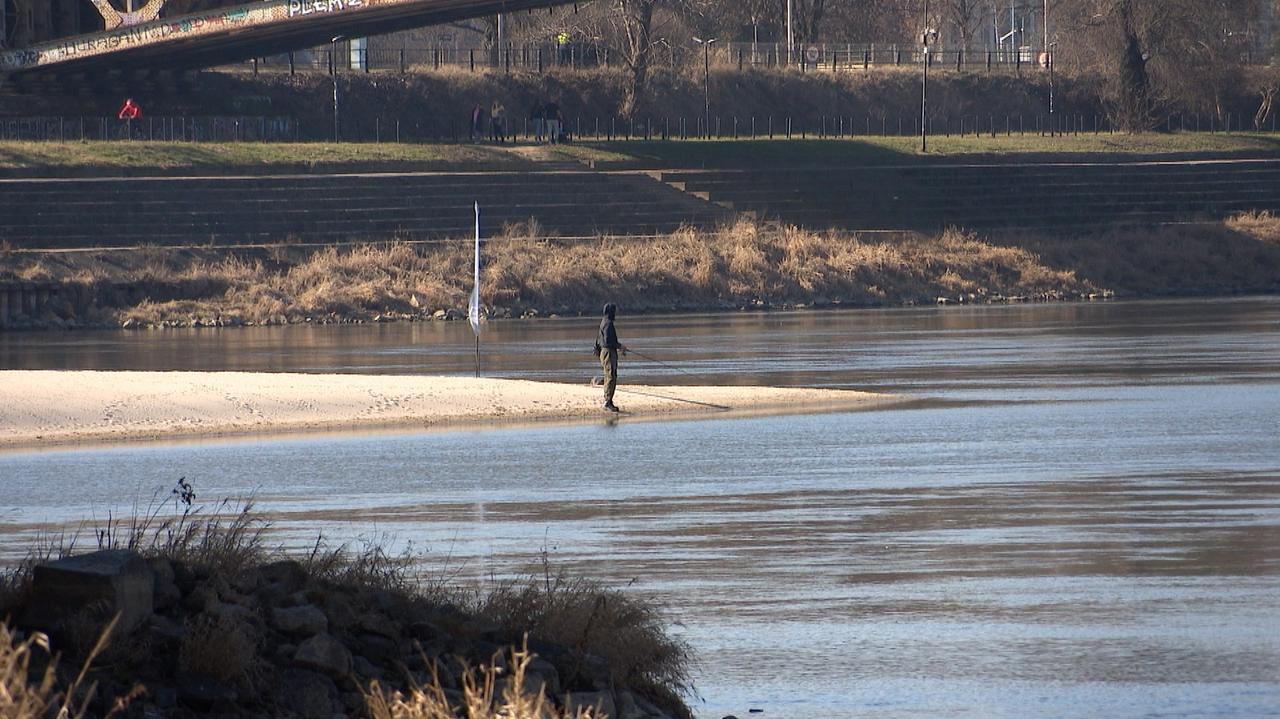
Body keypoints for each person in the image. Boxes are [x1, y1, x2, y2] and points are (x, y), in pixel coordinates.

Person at [594, 303, 627, 412]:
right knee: (610, 376)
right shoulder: (608, 324)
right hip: (608, 352)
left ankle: (609, 401)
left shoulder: (604, 322)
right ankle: (607, 402)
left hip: (607, 352)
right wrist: (620, 346)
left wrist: (618, 347)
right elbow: (608, 341)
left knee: (610, 375)